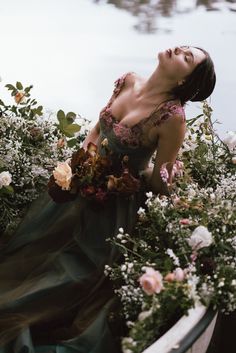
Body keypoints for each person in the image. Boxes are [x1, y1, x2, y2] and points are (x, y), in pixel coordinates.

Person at [0, 45, 216, 353]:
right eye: (184, 47)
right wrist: (83, 161)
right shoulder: (128, 81)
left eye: (188, 58)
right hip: (83, 184)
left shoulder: (172, 118)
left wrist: (159, 177)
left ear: (184, 81)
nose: (179, 49)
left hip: (113, 205)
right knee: (35, 249)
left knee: (71, 272)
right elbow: (100, 126)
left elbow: (158, 182)